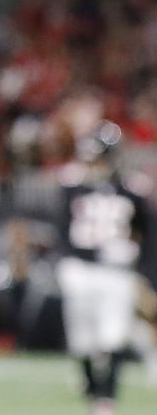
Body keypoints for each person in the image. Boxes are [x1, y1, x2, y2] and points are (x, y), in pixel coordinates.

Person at [55, 121, 146, 415]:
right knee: (82, 340)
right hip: (80, 268)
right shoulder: (73, 184)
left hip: (117, 270)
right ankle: (91, 382)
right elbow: (62, 225)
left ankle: (106, 399)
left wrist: (144, 270)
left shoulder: (132, 188)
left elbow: (147, 231)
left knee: (114, 335)